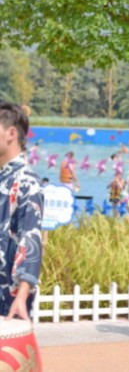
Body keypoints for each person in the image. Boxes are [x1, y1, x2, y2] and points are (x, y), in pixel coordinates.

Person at [0, 101, 44, 320]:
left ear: (11, 133)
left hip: (7, 296)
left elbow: (31, 238)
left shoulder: (26, 182)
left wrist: (22, 294)